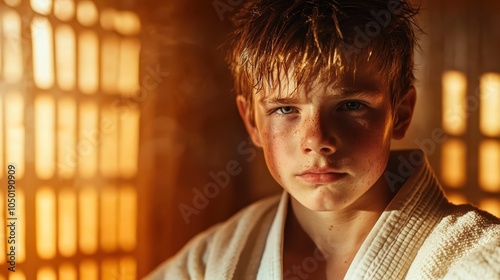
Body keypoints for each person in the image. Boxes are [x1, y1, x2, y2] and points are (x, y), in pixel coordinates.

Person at [145, 0, 500, 279]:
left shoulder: (478, 259)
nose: (317, 140)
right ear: (251, 121)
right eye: (285, 110)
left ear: (401, 114)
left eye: (350, 105)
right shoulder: (215, 257)